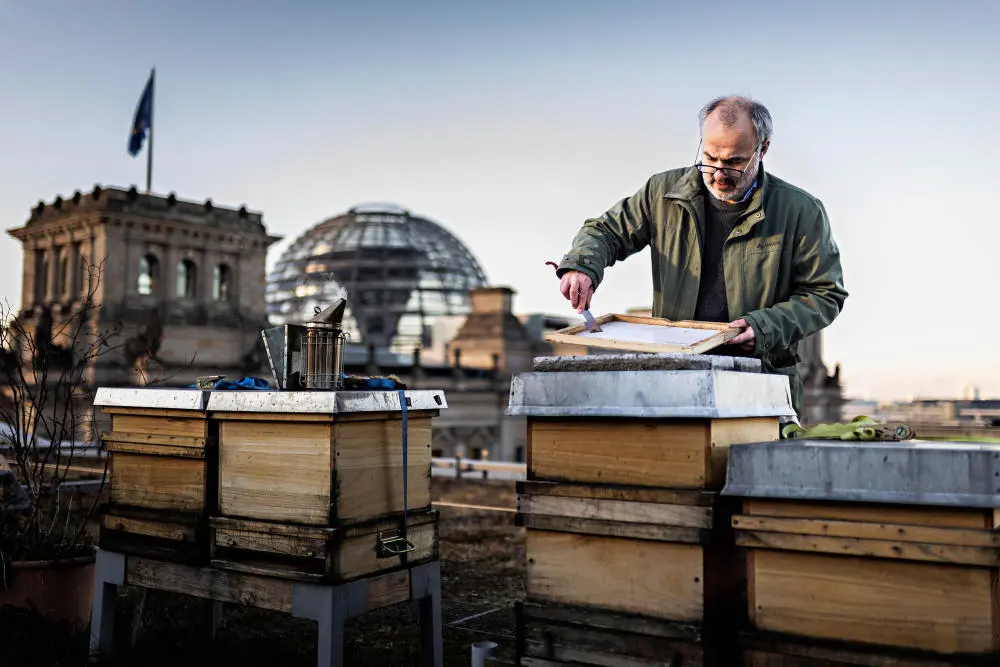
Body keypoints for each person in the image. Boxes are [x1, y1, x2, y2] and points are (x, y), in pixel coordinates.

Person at [554, 95, 847, 419]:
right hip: (676, 385)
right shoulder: (661, 192)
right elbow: (606, 231)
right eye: (709, 157)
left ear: (762, 150)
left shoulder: (800, 211)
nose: (719, 172)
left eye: (735, 161)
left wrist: (763, 328)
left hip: (761, 387)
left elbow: (825, 294)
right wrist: (582, 267)